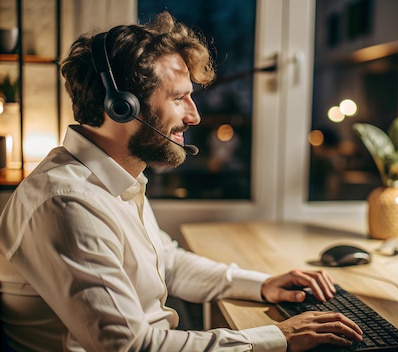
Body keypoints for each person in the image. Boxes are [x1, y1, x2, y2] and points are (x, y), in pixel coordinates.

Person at [0, 12, 363, 351]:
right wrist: (273, 338)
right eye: (179, 98)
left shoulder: (115, 179)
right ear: (121, 106)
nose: (194, 115)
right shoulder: (67, 202)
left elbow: (166, 262)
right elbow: (129, 346)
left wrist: (262, 284)